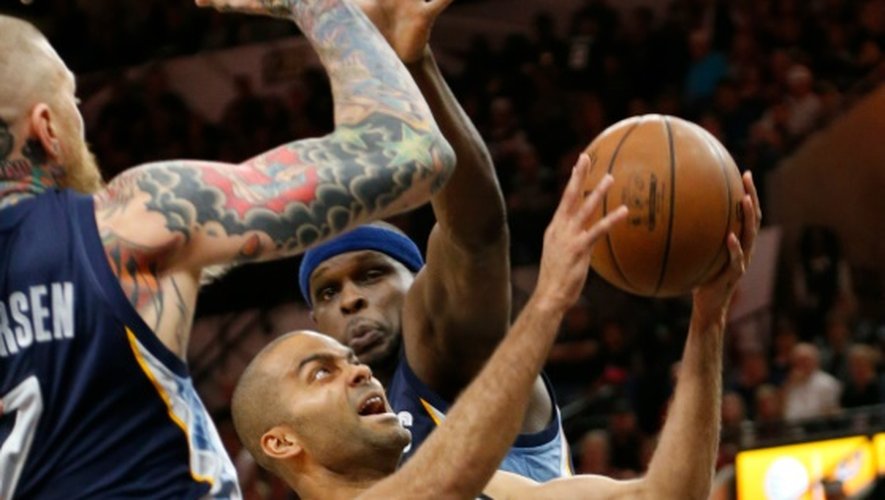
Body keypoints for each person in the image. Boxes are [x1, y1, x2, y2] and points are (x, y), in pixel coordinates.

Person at [0, 0, 456, 496]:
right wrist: (319, 5)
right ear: (46, 127)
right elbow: (407, 152)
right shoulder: (127, 224)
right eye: (75, 103)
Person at [232, 159, 762, 499]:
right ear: (280, 441)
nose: (359, 375)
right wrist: (550, 299)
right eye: (321, 373)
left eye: (350, 364)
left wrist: (708, 318)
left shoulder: (485, 485)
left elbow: (665, 495)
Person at [297, 0, 567, 480]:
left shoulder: (455, 357)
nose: (352, 299)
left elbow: (476, 236)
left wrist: (414, 66)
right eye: (329, 291)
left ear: (422, 283)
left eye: (372, 274)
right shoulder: (346, 445)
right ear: (313, 322)